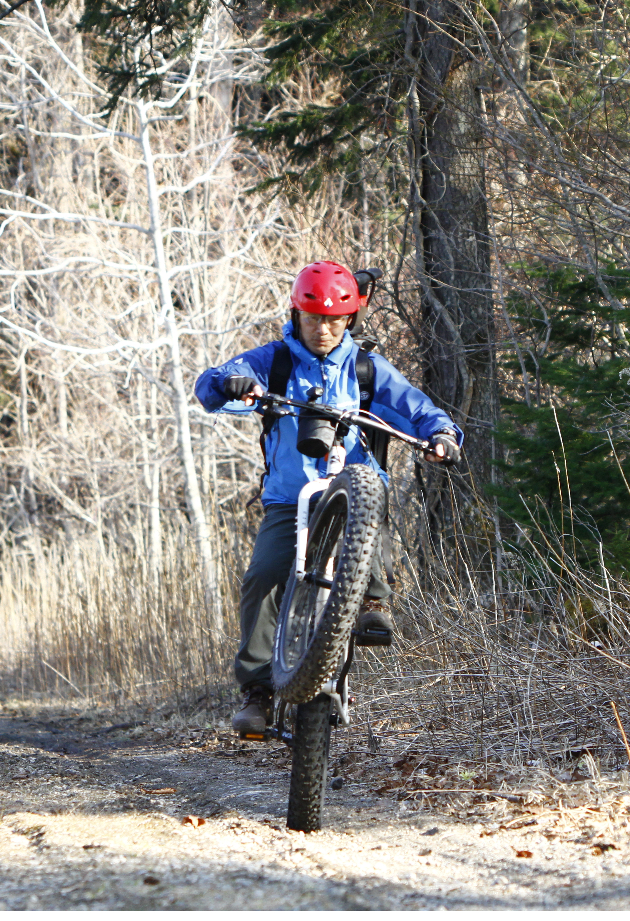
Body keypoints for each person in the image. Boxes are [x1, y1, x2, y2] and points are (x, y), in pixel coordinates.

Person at [194, 262, 463, 736]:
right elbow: (216, 382)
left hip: (352, 489)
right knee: (263, 576)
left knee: (369, 500)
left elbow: (416, 408)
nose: (323, 330)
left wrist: (441, 435)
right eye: (313, 320)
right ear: (296, 316)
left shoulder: (367, 369)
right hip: (289, 498)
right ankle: (258, 691)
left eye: (335, 322)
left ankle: (373, 602)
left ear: (350, 321)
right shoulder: (275, 362)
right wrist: (232, 383)